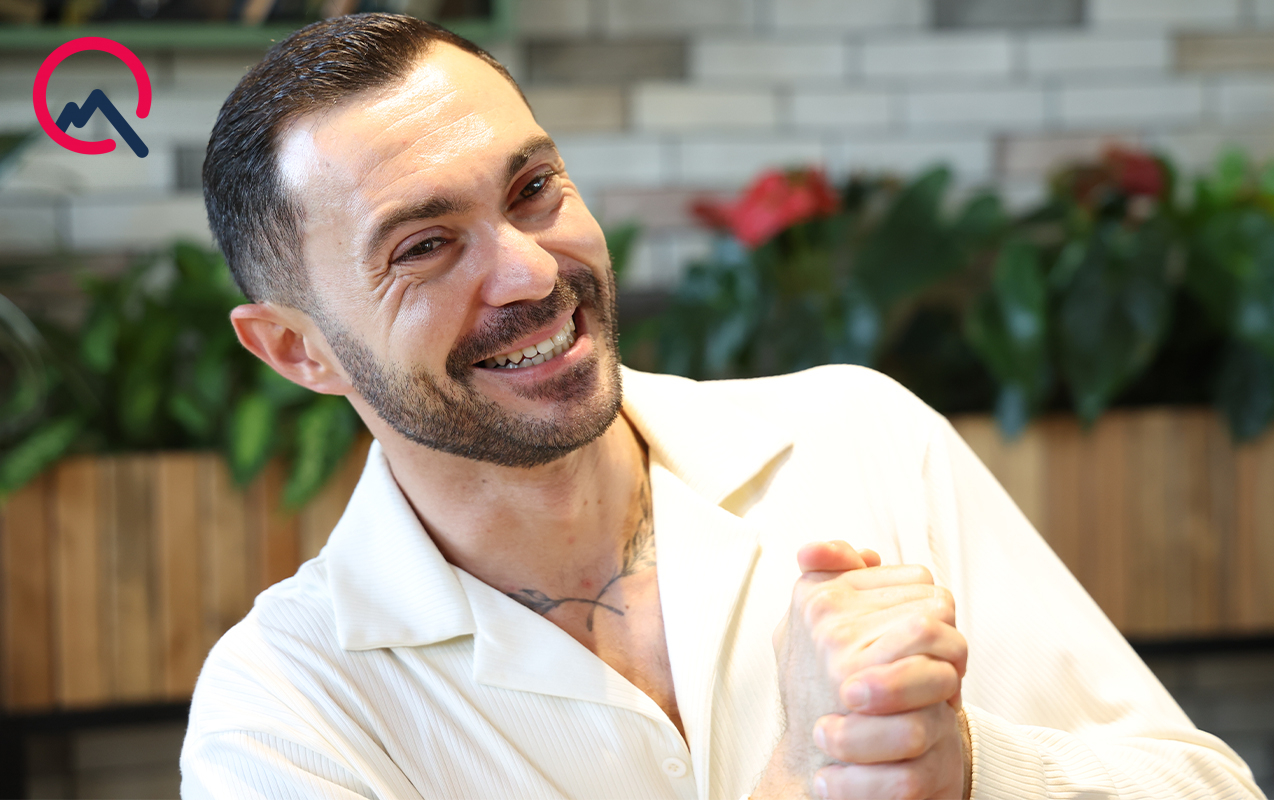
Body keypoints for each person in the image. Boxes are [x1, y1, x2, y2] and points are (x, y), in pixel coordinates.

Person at [180, 13, 1265, 800]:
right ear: (296, 349)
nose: (530, 271)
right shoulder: (286, 710)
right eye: (424, 246)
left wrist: (972, 768)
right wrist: (812, 771)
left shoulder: (857, 439)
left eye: (533, 191)